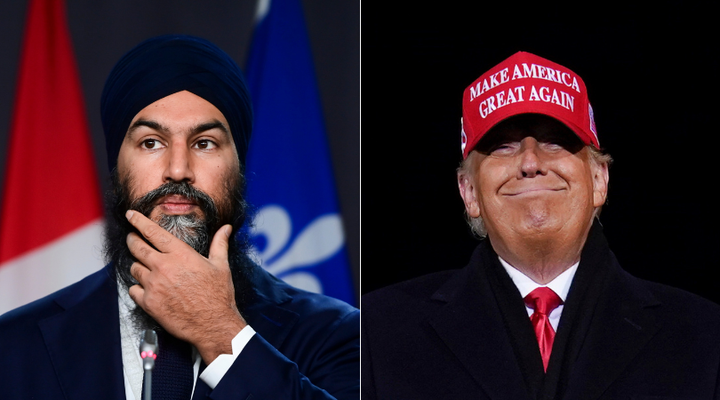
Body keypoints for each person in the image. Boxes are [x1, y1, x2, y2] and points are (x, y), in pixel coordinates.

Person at [0, 34, 358, 400]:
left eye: (204, 143)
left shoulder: (337, 333)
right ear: (116, 166)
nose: (177, 169)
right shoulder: (12, 346)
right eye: (151, 142)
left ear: (238, 167)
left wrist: (219, 331)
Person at [361, 51, 720, 399]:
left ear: (599, 179)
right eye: (502, 146)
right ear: (469, 192)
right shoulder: (377, 333)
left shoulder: (702, 334)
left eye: (555, 141)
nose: (530, 161)